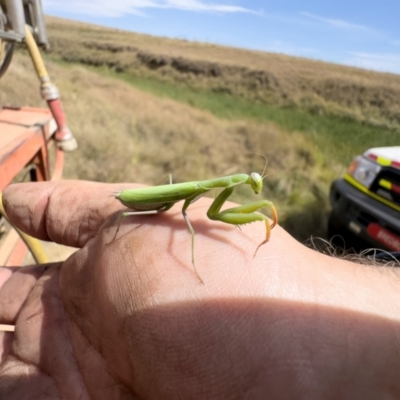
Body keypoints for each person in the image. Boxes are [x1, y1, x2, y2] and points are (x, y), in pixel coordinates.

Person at [0, 180, 399, 399]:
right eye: (253, 183)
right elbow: (205, 216)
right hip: (141, 203)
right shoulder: (204, 193)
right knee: (189, 226)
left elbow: (212, 213)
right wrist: (194, 262)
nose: (256, 188)